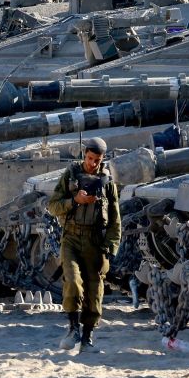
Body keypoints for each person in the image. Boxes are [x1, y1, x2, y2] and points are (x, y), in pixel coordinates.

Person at [47, 137, 121, 353]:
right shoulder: (70, 175)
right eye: (89, 159)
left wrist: (110, 247)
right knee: (72, 279)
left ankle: (87, 337)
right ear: (84, 155)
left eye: (97, 160)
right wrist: (74, 201)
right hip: (71, 237)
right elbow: (53, 206)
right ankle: (72, 329)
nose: (92, 164)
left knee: (94, 289)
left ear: (102, 158)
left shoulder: (108, 183)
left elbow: (115, 219)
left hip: (96, 241)